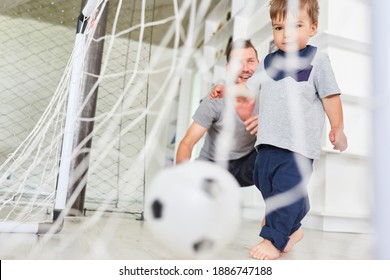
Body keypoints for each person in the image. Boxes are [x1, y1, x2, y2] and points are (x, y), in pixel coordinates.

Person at [210, 0, 348, 260]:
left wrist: (337, 127)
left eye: (297, 25)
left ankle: (273, 239)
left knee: (285, 190)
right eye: (279, 26)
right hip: (266, 143)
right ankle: (292, 229)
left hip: (298, 146)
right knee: (267, 185)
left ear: (313, 28)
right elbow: (249, 90)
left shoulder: (319, 60)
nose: (287, 34)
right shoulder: (268, 62)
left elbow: (331, 97)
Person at [176, 39, 259, 187]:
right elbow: (187, 143)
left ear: (258, 64)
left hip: (247, 162)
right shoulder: (215, 99)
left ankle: (279, 207)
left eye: (250, 61)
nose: (245, 68)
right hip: (213, 164)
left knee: (275, 151)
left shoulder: (268, 94)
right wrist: (181, 178)